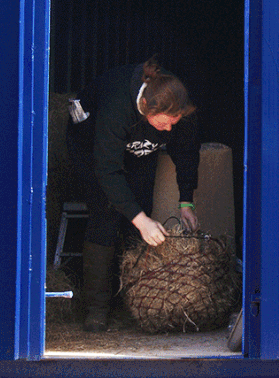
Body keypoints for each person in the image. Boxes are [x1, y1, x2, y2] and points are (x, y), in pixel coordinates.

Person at [68, 55, 200, 332]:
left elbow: (186, 153)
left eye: (173, 124)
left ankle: (136, 302)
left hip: (138, 151)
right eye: (164, 124)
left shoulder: (174, 104)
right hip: (94, 150)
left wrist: (185, 201)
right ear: (145, 107)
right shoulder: (117, 105)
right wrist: (140, 220)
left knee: (141, 207)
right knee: (106, 213)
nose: (169, 129)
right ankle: (97, 307)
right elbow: (106, 170)